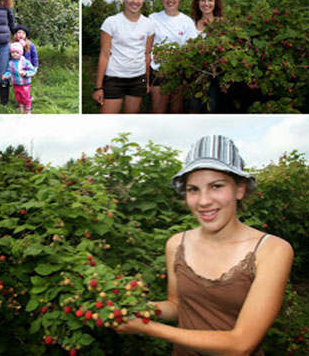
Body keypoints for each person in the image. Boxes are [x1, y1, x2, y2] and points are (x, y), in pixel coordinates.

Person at [117, 134, 294, 354]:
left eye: (216, 186)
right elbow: (178, 306)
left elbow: (241, 345)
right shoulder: (176, 244)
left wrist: (149, 328)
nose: (203, 201)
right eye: (193, 189)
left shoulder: (272, 250)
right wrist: (136, 308)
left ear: (240, 189)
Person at [93, 0, 155, 115]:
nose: (135, 1)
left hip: (138, 79)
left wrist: (147, 81)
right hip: (114, 78)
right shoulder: (111, 22)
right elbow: (104, 55)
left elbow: (147, 54)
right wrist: (98, 87)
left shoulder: (149, 25)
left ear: (143, 0)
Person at [149, 0, 198, 113]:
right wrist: (154, 55)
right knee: (158, 111)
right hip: (158, 72)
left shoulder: (187, 21)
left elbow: (191, 48)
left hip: (178, 73)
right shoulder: (152, 19)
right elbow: (145, 47)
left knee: (177, 110)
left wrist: (172, 53)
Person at [189, 0, 225, 113]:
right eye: (203, 0)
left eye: (210, 0)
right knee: (193, 108)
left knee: (211, 108)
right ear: (198, 3)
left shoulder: (221, 23)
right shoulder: (192, 23)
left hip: (213, 74)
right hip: (194, 74)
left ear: (215, 3)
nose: (206, 4)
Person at [1, 40, 37, 114]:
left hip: (25, 83)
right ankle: (21, 105)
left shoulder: (25, 62)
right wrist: (6, 75)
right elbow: (9, 71)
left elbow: (32, 71)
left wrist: (25, 73)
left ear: (21, 53)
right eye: (13, 52)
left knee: (25, 96)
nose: (14, 54)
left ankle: (28, 107)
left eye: (17, 52)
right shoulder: (11, 63)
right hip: (16, 83)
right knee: (18, 95)